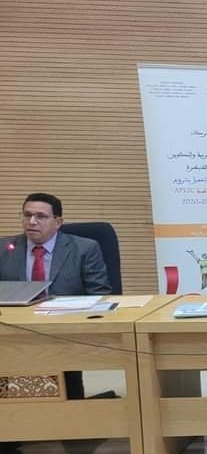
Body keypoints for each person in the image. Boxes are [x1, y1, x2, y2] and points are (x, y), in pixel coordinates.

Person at [0, 193, 111, 454]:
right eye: (27, 215)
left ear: (58, 222)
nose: (32, 221)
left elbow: (101, 294)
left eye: (41, 216)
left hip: (65, 332)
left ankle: (73, 431)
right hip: (15, 333)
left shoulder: (84, 248)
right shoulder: (5, 249)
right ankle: (10, 431)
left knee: (63, 372)